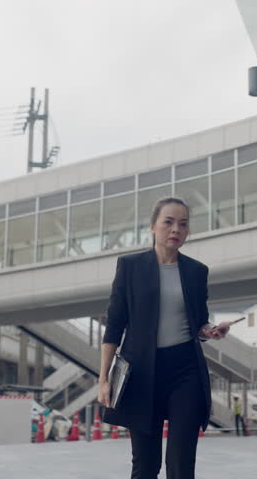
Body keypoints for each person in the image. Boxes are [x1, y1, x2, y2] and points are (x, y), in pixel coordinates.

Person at [98, 197, 234, 479]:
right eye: (169, 222)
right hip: (141, 371)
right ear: (153, 227)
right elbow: (115, 324)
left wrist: (209, 330)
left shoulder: (197, 271)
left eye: (183, 224)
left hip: (185, 371)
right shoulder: (130, 267)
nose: (176, 229)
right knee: (146, 465)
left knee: (181, 465)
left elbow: (198, 322)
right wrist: (103, 378)